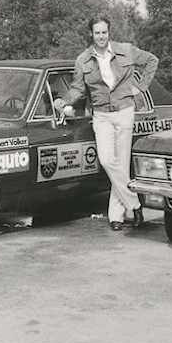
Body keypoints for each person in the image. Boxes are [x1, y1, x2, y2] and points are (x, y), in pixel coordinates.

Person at [53, 16, 158, 231]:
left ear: (109, 33)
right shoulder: (83, 60)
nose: (101, 36)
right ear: (91, 34)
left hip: (124, 112)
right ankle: (134, 204)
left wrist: (140, 87)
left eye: (104, 32)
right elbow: (78, 89)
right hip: (101, 115)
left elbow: (152, 61)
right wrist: (65, 100)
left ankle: (116, 217)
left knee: (120, 163)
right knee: (108, 160)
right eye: (97, 33)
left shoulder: (125, 50)